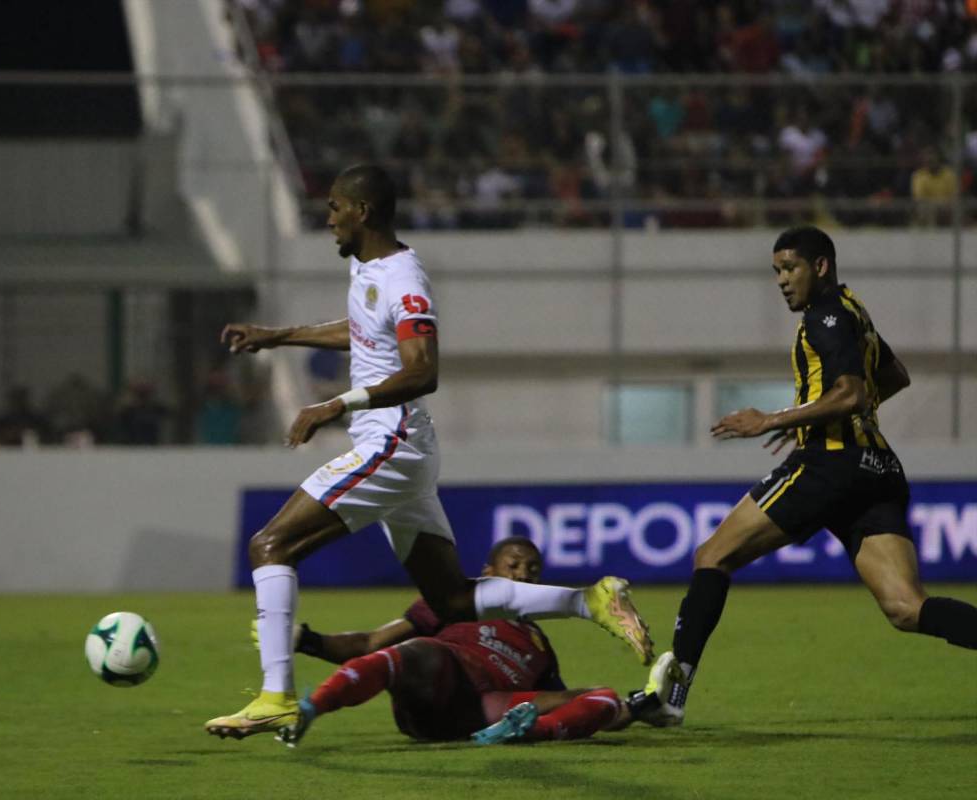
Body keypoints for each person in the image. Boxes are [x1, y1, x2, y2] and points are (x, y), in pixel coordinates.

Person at [207, 163, 654, 739]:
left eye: (335, 209)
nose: (329, 221)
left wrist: (334, 405)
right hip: (403, 446)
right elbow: (367, 329)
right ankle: (586, 601)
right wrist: (280, 335)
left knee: (270, 544)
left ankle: (276, 695)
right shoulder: (369, 268)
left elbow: (423, 371)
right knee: (449, 598)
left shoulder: (405, 278)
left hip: (390, 439)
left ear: (362, 212)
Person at [647, 225, 977, 727]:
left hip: (831, 465)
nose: (781, 280)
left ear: (820, 266)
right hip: (878, 468)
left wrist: (773, 419)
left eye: (790, 268)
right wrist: (818, 414)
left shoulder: (823, 317)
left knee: (712, 556)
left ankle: (671, 694)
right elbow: (893, 377)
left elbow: (849, 393)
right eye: (777, 270)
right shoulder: (853, 311)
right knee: (906, 607)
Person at [274, 537, 680, 747]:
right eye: (514, 565)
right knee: (412, 654)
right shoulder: (455, 600)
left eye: (533, 569)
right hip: (436, 685)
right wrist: (306, 640)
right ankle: (311, 708)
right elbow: (370, 643)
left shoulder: (539, 643)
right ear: (489, 570)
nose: (523, 575)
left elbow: (573, 708)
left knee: (602, 698)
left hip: (481, 713)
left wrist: (635, 708)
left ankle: (521, 735)